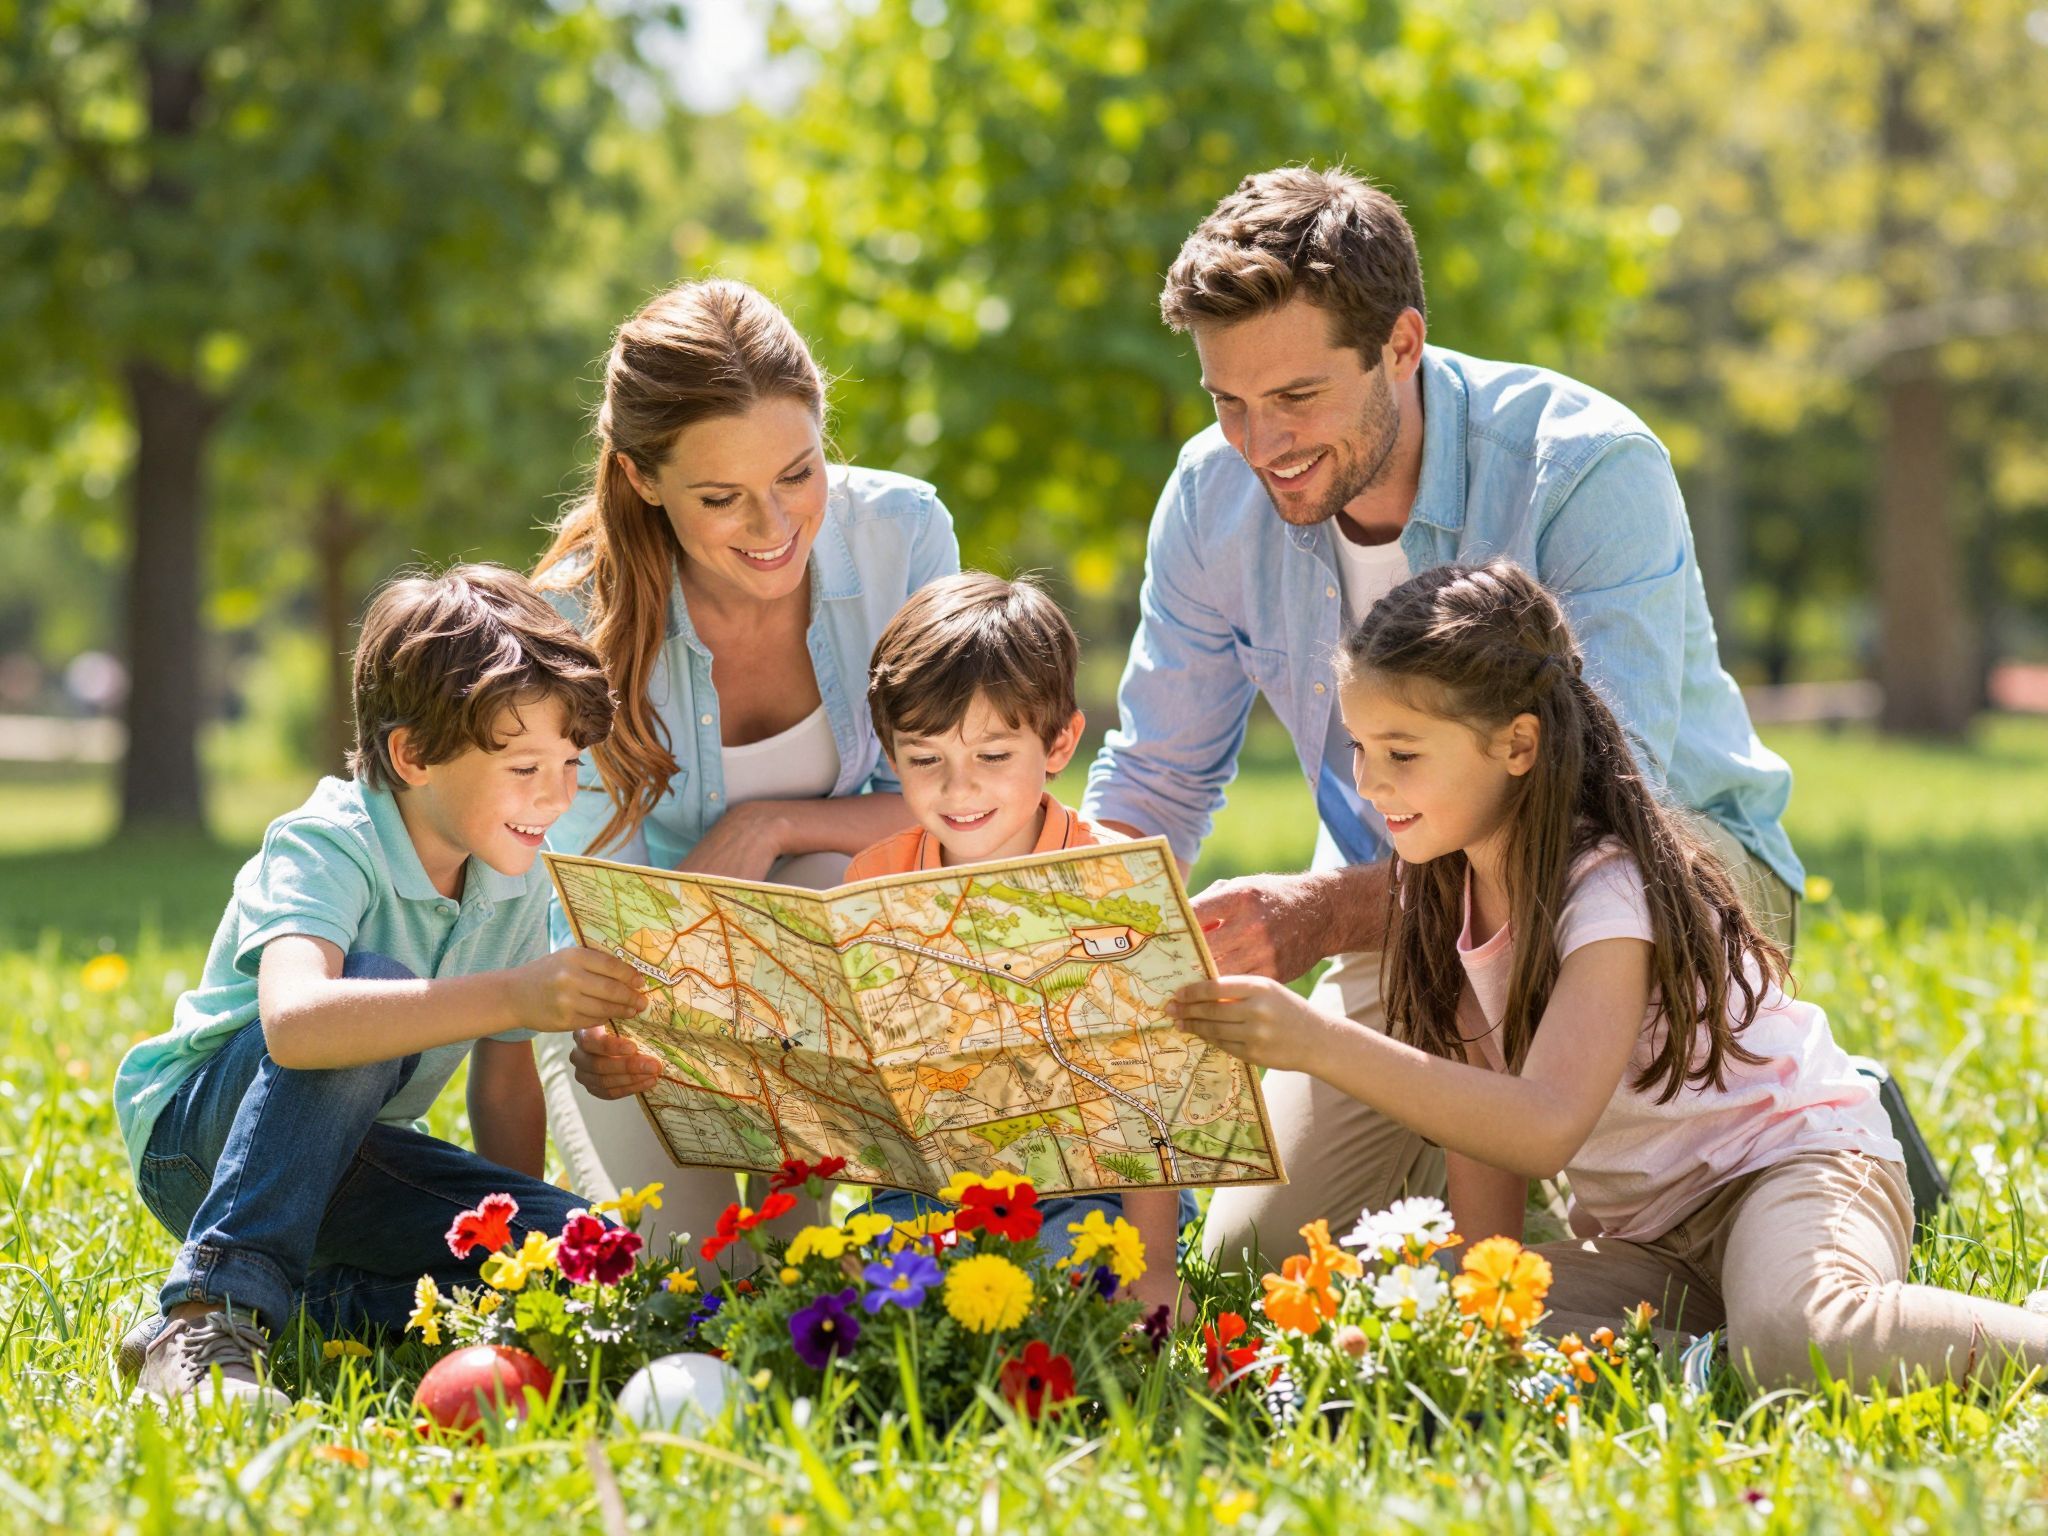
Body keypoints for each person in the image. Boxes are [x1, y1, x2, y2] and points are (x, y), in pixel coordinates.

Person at [1082, 165, 1803, 1267]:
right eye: (1228, 402)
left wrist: (1321, 915)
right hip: (1404, 911)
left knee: (1598, 1161)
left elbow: (1602, 817)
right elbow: (1157, 777)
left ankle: (1791, 1140)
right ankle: (1499, 1179)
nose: (1260, 444)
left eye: (1296, 397)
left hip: (1657, 877)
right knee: (1257, 1262)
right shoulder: (1208, 495)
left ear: (1401, 344)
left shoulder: (1584, 467)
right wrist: (1068, 930)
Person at [1169, 561, 2046, 1388]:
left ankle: (1968, 1329)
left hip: (1785, 1170)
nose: (1368, 784)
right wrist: (1483, 1318)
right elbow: (1483, 1136)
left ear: (1518, 745)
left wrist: (1317, 1042)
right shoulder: (1446, 896)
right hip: (1650, 1239)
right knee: (1432, 1323)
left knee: (1804, 1334)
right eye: (1359, 749)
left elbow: (1543, 1125)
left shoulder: (1608, 887)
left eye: (1402, 754)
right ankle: (1725, 1352)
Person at [114, 566, 641, 1406]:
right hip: (202, 1145)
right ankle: (206, 1315)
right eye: (524, 766)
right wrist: (515, 994)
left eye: (571, 763)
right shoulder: (329, 842)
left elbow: (505, 1084)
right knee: (365, 990)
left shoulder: (516, 878)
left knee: (590, 1252)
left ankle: (305, 1312)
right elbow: (298, 1025)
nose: (556, 795)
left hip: (355, 1160)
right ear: (413, 754)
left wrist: (515, 1261)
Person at [532, 278, 960, 1258]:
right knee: (684, 1287)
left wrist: (766, 827)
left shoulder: (901, 535)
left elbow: (957, 796)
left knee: (785, 1278)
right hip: (644, 987)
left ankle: (801, 1224)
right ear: (642, 478)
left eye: (798, 475)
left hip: (832, 963)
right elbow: (589, 907)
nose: (773, 529)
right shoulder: (568, 620)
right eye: (721, 499)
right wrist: (615, 1029)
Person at [843, 572, 1191, 1309]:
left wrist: (1155, 1268)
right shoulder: (872, 881)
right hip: (931, 1190)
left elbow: (1149, 1091)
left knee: (1063, 1287)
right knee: (868, 1291)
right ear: (891, 755)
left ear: (1059, 742)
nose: (958, 789)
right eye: (925, 759)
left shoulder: (1117, 882)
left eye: (993, 756)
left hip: (1096, 1188)